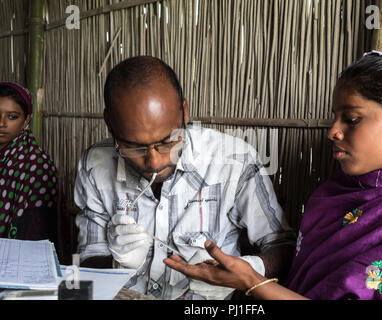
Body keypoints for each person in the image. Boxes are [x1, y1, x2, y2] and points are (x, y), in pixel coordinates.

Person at [164, 51, 382, 300]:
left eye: (351, 119)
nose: (333, 131)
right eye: (335, 116)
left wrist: (252, 282)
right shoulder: (333, 198)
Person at [74, 56, 296, 300]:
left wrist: (246, 272)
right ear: (109, 124)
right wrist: (118, 265)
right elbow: (88, 259)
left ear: (184, 112)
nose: (155, 162)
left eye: (167, 141)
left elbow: (283, 247)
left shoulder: (234, 161)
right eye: (134, 147)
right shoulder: (95, 165)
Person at [0, 82, 61, 243]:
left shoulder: (37, 168)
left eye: (12, 116)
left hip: (21, 258)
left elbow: (37, 234)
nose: (2, 123)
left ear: (26, 121)